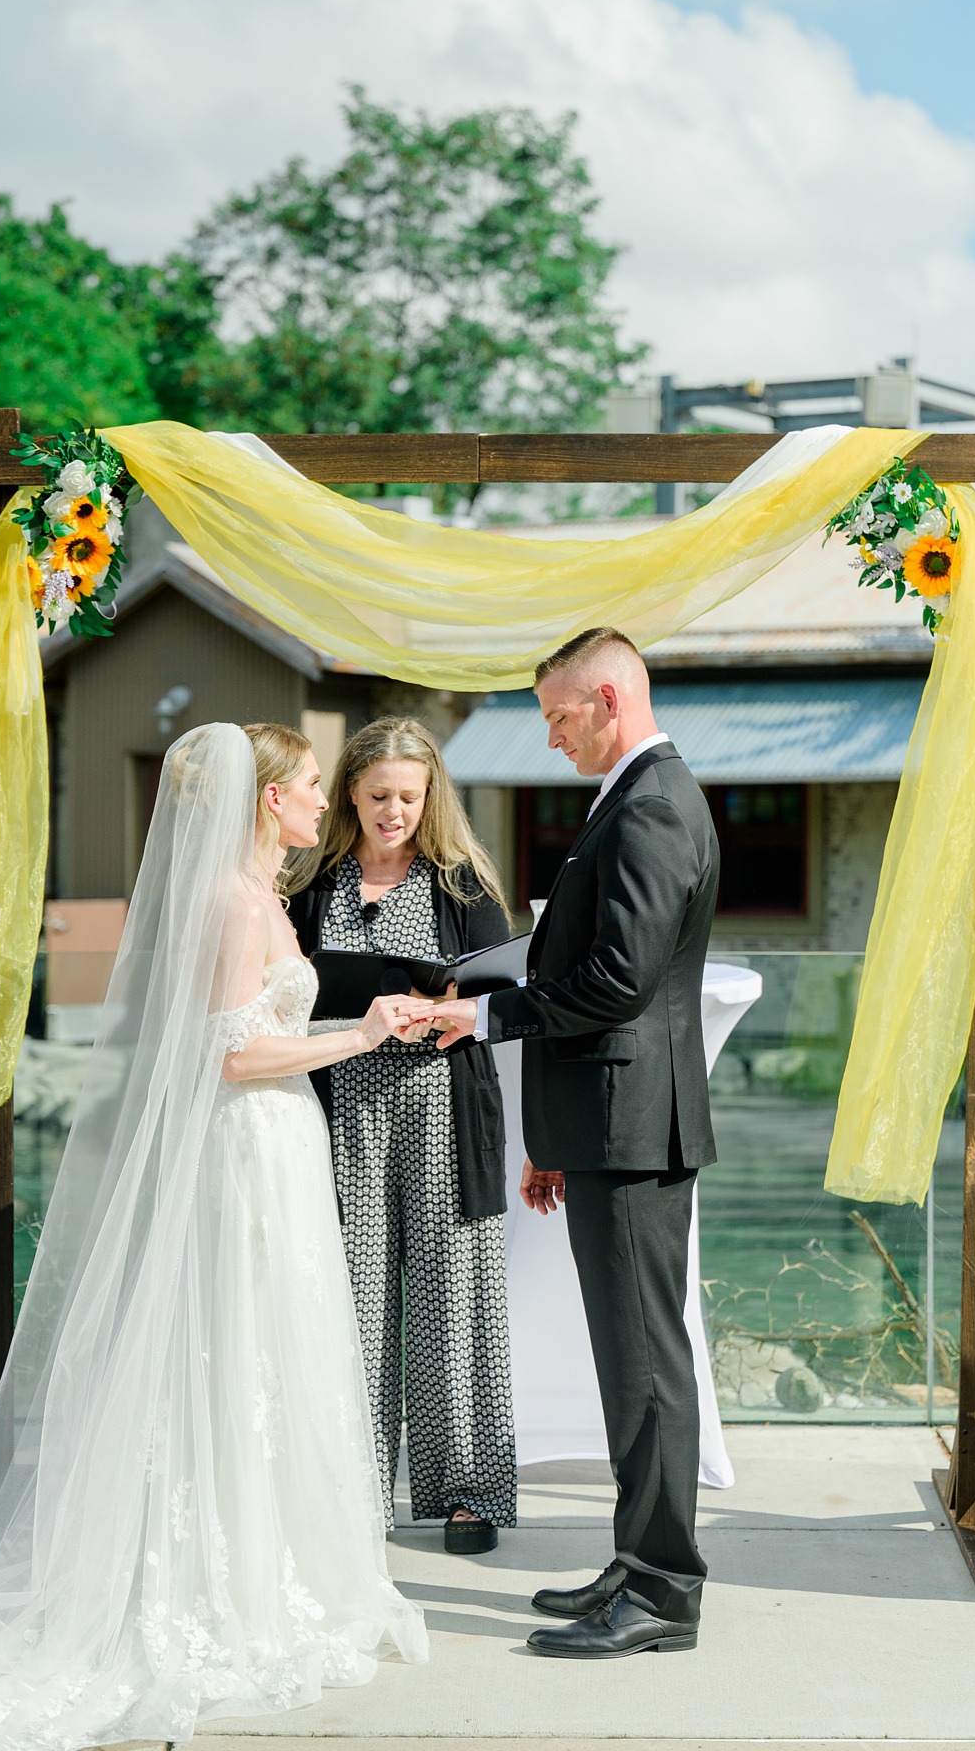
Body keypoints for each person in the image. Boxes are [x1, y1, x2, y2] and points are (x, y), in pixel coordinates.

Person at [0, 722, 428, 1749]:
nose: (325, 800)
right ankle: (222, 1581)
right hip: (245, 1151)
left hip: (281, 1147)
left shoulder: (263, 898)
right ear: (265, 800)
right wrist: (359, 1034)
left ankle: (273, 1556)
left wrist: (369, 1023)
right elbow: (228, 1059)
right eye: (313, 785)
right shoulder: (233, 908)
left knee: (275, 1356)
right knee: (238, 1349)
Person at [422, 627, 721, 1660]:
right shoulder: (638, 797)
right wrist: (551, 1133)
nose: (551, 739)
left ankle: (664, 1588)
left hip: (634, 1131)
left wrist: (490, 1015)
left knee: (645, 1366)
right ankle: (638, 1561)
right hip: (612, 1126)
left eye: (557, 717)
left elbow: (617, 983)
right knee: (632, 1360)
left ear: (605, 696)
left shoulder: (651, 803)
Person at [286, 718, 518, 1556]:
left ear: (431, 799)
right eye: (379, 795)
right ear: (349, 791)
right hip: (340, 1112)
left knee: (454, 1303)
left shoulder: (462, 887)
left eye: (409, 798)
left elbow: (502, 1002)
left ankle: (468, 1492)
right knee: (352, 1303)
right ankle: (353, 1486)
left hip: (443, 1112)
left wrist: (452, 1006)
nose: (394, 812)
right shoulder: (310, 887)